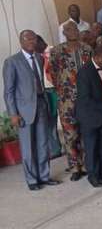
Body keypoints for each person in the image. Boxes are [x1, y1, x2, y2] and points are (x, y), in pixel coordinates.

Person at [3, 30, 62, 191]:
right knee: (28, 146)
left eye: (33, 38)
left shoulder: (39, 57)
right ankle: (32, 179)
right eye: (27, 39)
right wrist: (13, 113)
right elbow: (9, 91)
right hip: (23, 111)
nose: (31, 41)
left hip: (41, 105)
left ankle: (44, 176)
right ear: (21, 41)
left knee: (43, 143)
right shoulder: (12, 62)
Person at [49, 21, 93, 181]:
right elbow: (52, 73)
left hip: (86, 98)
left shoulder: (87, 49)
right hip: (67, 100)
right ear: (64, 33)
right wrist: (63, 89)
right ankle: (75, 167)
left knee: (86, 131)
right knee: (70, 133)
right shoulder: (56, 51)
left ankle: (88, 164)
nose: (72, 31)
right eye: (68, 29)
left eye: (74, 28)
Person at [75, 45, 102, 187]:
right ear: (97, 56)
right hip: (90, 115)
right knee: (92, 147)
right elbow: (85, 97)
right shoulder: (84, 72)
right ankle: (93, 176)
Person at [36, 35, 61, 159]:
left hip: (59, 89)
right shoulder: (37, 56)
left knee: (67, 118)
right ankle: (55, 149)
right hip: (46, 91)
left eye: (35, 46)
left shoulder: (54, 50)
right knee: (50, 120)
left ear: (41, 42)